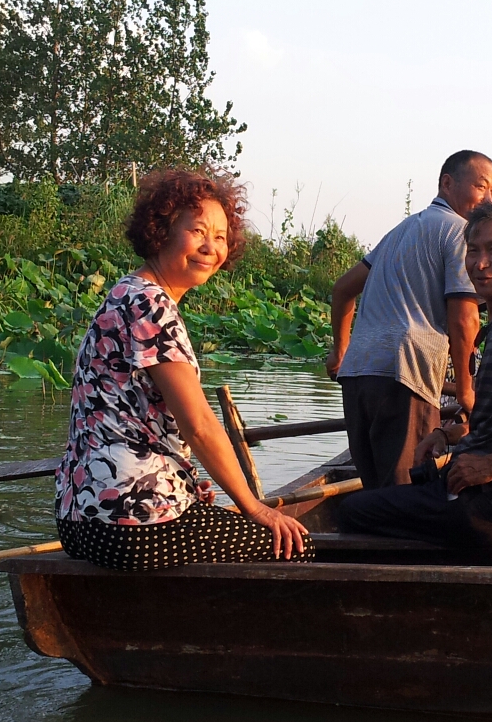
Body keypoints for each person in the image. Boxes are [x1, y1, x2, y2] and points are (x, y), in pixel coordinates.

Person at [56, 169, 310, 570]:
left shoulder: (126, 292)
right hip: (133, 523)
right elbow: (200, 426)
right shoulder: (150, 304)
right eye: (198, 231)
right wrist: (254, 508)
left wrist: (185, 483)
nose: (211, 246)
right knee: (293, 545)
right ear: (162, 232)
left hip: (79, 519)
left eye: (221, 236)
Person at [337, 205, 492, 547]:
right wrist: (446, 435)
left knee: (353, 511)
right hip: (490, 492)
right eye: (472, 250)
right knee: (397, 496)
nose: (479, 263)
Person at [327, 151, 492, 489]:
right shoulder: (462, 233)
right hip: (406, 374)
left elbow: (342, 290)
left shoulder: (402, 229)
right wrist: (466, 392)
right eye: (481, 187)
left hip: (359, 373)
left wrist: (340, 350)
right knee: (408, 490)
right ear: (447, 184)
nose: (490, 199)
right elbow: (464, 320)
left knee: (377, 491)